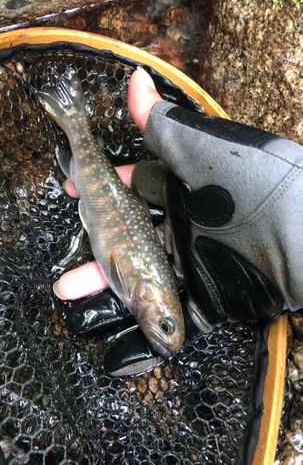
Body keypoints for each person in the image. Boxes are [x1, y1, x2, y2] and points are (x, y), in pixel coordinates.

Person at [52, 66, 303, 375]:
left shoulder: (140, 295)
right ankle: (73, 120)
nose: (164, 337)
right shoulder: (137, 290)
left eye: (165, 328)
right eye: (165, 326)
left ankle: (73, 127)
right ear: (151, 299)